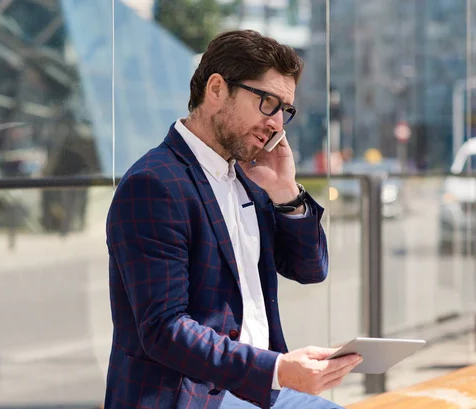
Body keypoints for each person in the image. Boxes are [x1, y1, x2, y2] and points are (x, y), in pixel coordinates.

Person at [104, 30, 362, 409]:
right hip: (189, 396)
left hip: (254, 389)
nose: (277, 124)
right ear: (217, 89)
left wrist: (286, 192)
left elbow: (311, 268)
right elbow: (165, 329)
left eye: (285, 111)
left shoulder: (250, 177)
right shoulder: (154, 184)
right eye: (268, 103)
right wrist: (276, 369)